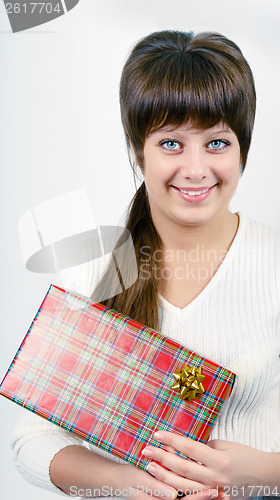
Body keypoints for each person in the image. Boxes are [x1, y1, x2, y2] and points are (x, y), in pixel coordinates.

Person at [12, 30, 280, 500]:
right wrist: (130, 484)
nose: (196, 169)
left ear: (243, 149)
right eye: (171, 144)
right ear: (139, 150)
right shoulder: (92, 270)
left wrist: (253, 471)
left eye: (217, 143)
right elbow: (31, 445)